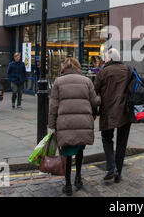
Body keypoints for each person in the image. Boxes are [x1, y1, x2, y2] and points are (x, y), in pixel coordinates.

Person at [48, 58, 100, 196]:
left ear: (64, 68)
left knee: (66, 154)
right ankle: (78, 178)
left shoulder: (58, 82)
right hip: (83, 123)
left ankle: (68, 185)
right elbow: (95, 101)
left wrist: (52, 125)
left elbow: (53, 106)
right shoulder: (87, 81)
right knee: (79, 150)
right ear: (78, 67)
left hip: (65, 124)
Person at [94, 48, 134, 183]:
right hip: (126, 112)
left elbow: (94, 91)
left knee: (106, 139)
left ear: (110, 59)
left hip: (108, 111)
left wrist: (94, 111)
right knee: (122, 143)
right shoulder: (128, 69)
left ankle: (111, 168)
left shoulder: (103, 72)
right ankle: (118, 173)